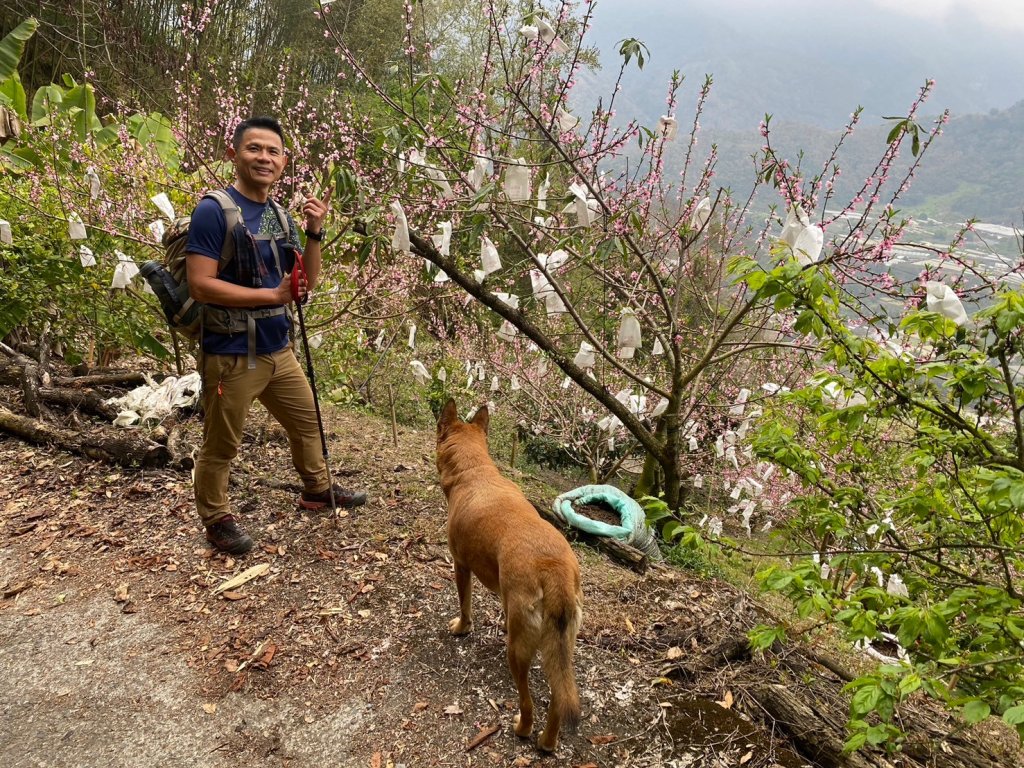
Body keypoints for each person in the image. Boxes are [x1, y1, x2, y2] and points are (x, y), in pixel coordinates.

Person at [186, 115, 367, 555]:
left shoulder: (276, 216)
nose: (263, 158)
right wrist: (272, 293)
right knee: (222, 443)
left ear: (283, 162)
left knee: (307, 423)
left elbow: (304, 283)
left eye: (272, 151)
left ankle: (317, 489)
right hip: (232, 351)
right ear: (234, 154)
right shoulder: (215, 210)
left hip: (276, 347)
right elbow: (200, 283)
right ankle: (216, 519)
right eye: (254, 149)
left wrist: (314, 233)